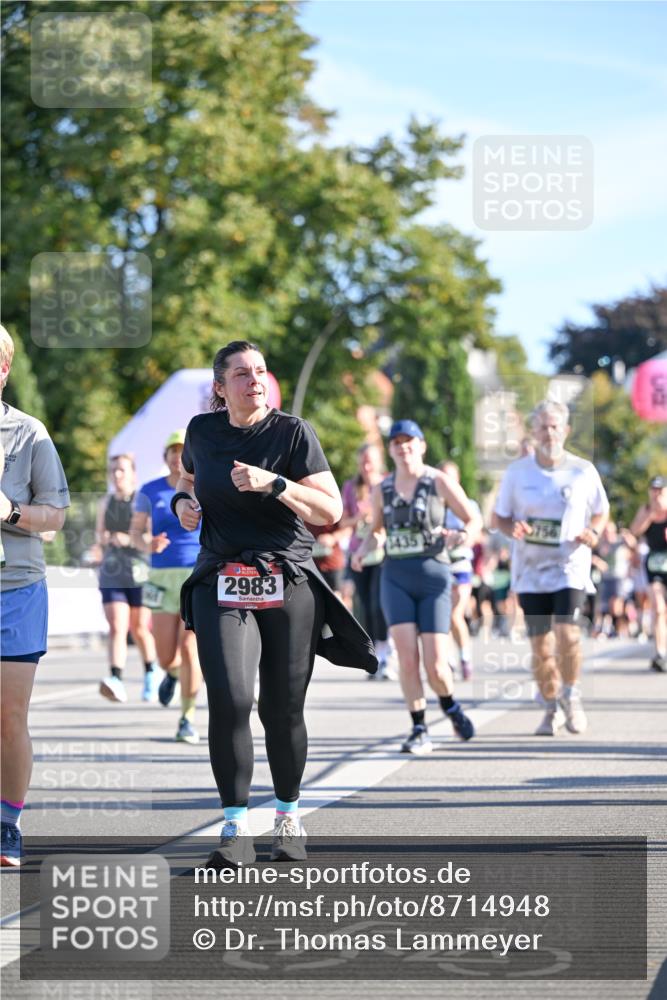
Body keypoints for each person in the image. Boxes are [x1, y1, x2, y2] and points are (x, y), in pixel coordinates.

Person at [172, 341, 375, 865]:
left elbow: (330, 510)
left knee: (282, 710)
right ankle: (234, 827)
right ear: (221, 387)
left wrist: (277, 484)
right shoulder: (202, 431)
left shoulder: (292, 432)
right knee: (231, 700)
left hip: (287, 579)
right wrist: (183, 503)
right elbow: (187, 476)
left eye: (260, 371)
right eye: (241, 373)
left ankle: (288, 818)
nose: (254, 380)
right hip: (222, 577)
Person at [351, 420, 482, 755]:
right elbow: (378, 530)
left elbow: (472, 519)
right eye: (396, 443)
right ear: (391, 450)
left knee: (436, 664)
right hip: (395, 577)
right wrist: (364, 549)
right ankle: (419, 727)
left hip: (433, 576)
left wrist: (463, 536)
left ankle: (451, 706)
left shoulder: (439, 481)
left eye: (409, 441)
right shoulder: (383, 488)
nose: (403, 447)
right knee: (407, 660)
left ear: (421, 445)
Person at [492, 399, 609, 736]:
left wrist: (595, 531)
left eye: (555, 426)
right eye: (542, 426)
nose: (549, 432)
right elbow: (499, 516)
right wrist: (509, 528)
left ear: (566, 430)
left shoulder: (583, 470)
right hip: (529, 571)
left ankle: (571, 696)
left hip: (569, 566)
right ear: (533, 431)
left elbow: (601, 510)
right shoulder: (517, 472)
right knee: (541, 647)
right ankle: (550, 706)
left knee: (568, 633)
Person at [0, 325, 70, 867]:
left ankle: (7, 822)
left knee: (8, 715)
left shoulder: (29, 434)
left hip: (15, 590)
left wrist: (10, 513)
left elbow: (57, 514)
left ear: (4, 371)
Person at [132, 431, 204, 743]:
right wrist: (148, 542)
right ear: (165, 457)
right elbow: (135, 534)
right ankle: (172, 675)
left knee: (190, 647)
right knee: (164, 655)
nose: (177, 457)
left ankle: (187, 717)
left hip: (196, 573)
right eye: (173, 451)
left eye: (182, 451)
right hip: (161, 577)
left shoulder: (203, 486)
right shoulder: (149, 490)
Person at [95, 454, 158, 703]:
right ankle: (115, 679)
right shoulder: (105, 502)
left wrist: (127, 538)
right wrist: (104, 541)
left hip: (140, 570)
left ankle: (152, 672)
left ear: (133, 474)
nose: (117, 475)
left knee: (139, 628)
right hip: (112, 571)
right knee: (116, 626)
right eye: (113, 471)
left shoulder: (142, 501)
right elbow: (99, 536)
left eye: (121, 470)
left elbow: (150, 537)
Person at [341, 444, 394, 678]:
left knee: (378, 603)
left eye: (370, 461)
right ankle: (374, 656)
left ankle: (386, 654)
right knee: (364, 606)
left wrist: (378, 518)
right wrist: (358, 518)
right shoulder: (352, 487)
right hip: (359, 553)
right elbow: (342, 523)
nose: (366, 466)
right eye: (362, 461)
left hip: (383, 553)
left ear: (379, 462)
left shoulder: (387, 484)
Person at [438, 460, 481, 679]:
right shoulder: (433, 504)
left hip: (460, 564)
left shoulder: (468, 505)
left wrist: (459, 537)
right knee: (441, 616)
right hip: (439, 564)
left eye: (451, 477)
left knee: (455, 614)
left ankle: (464, 657)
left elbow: (475, 532)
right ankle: (448, 658)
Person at [629, 476, 667, 672]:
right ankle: (660, 653)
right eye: (654, 489)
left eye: (661, 489)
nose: (657, 493)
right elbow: (634, 531)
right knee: (658, 608)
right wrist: (651, 515)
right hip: (654, 563)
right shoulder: (645, 510)